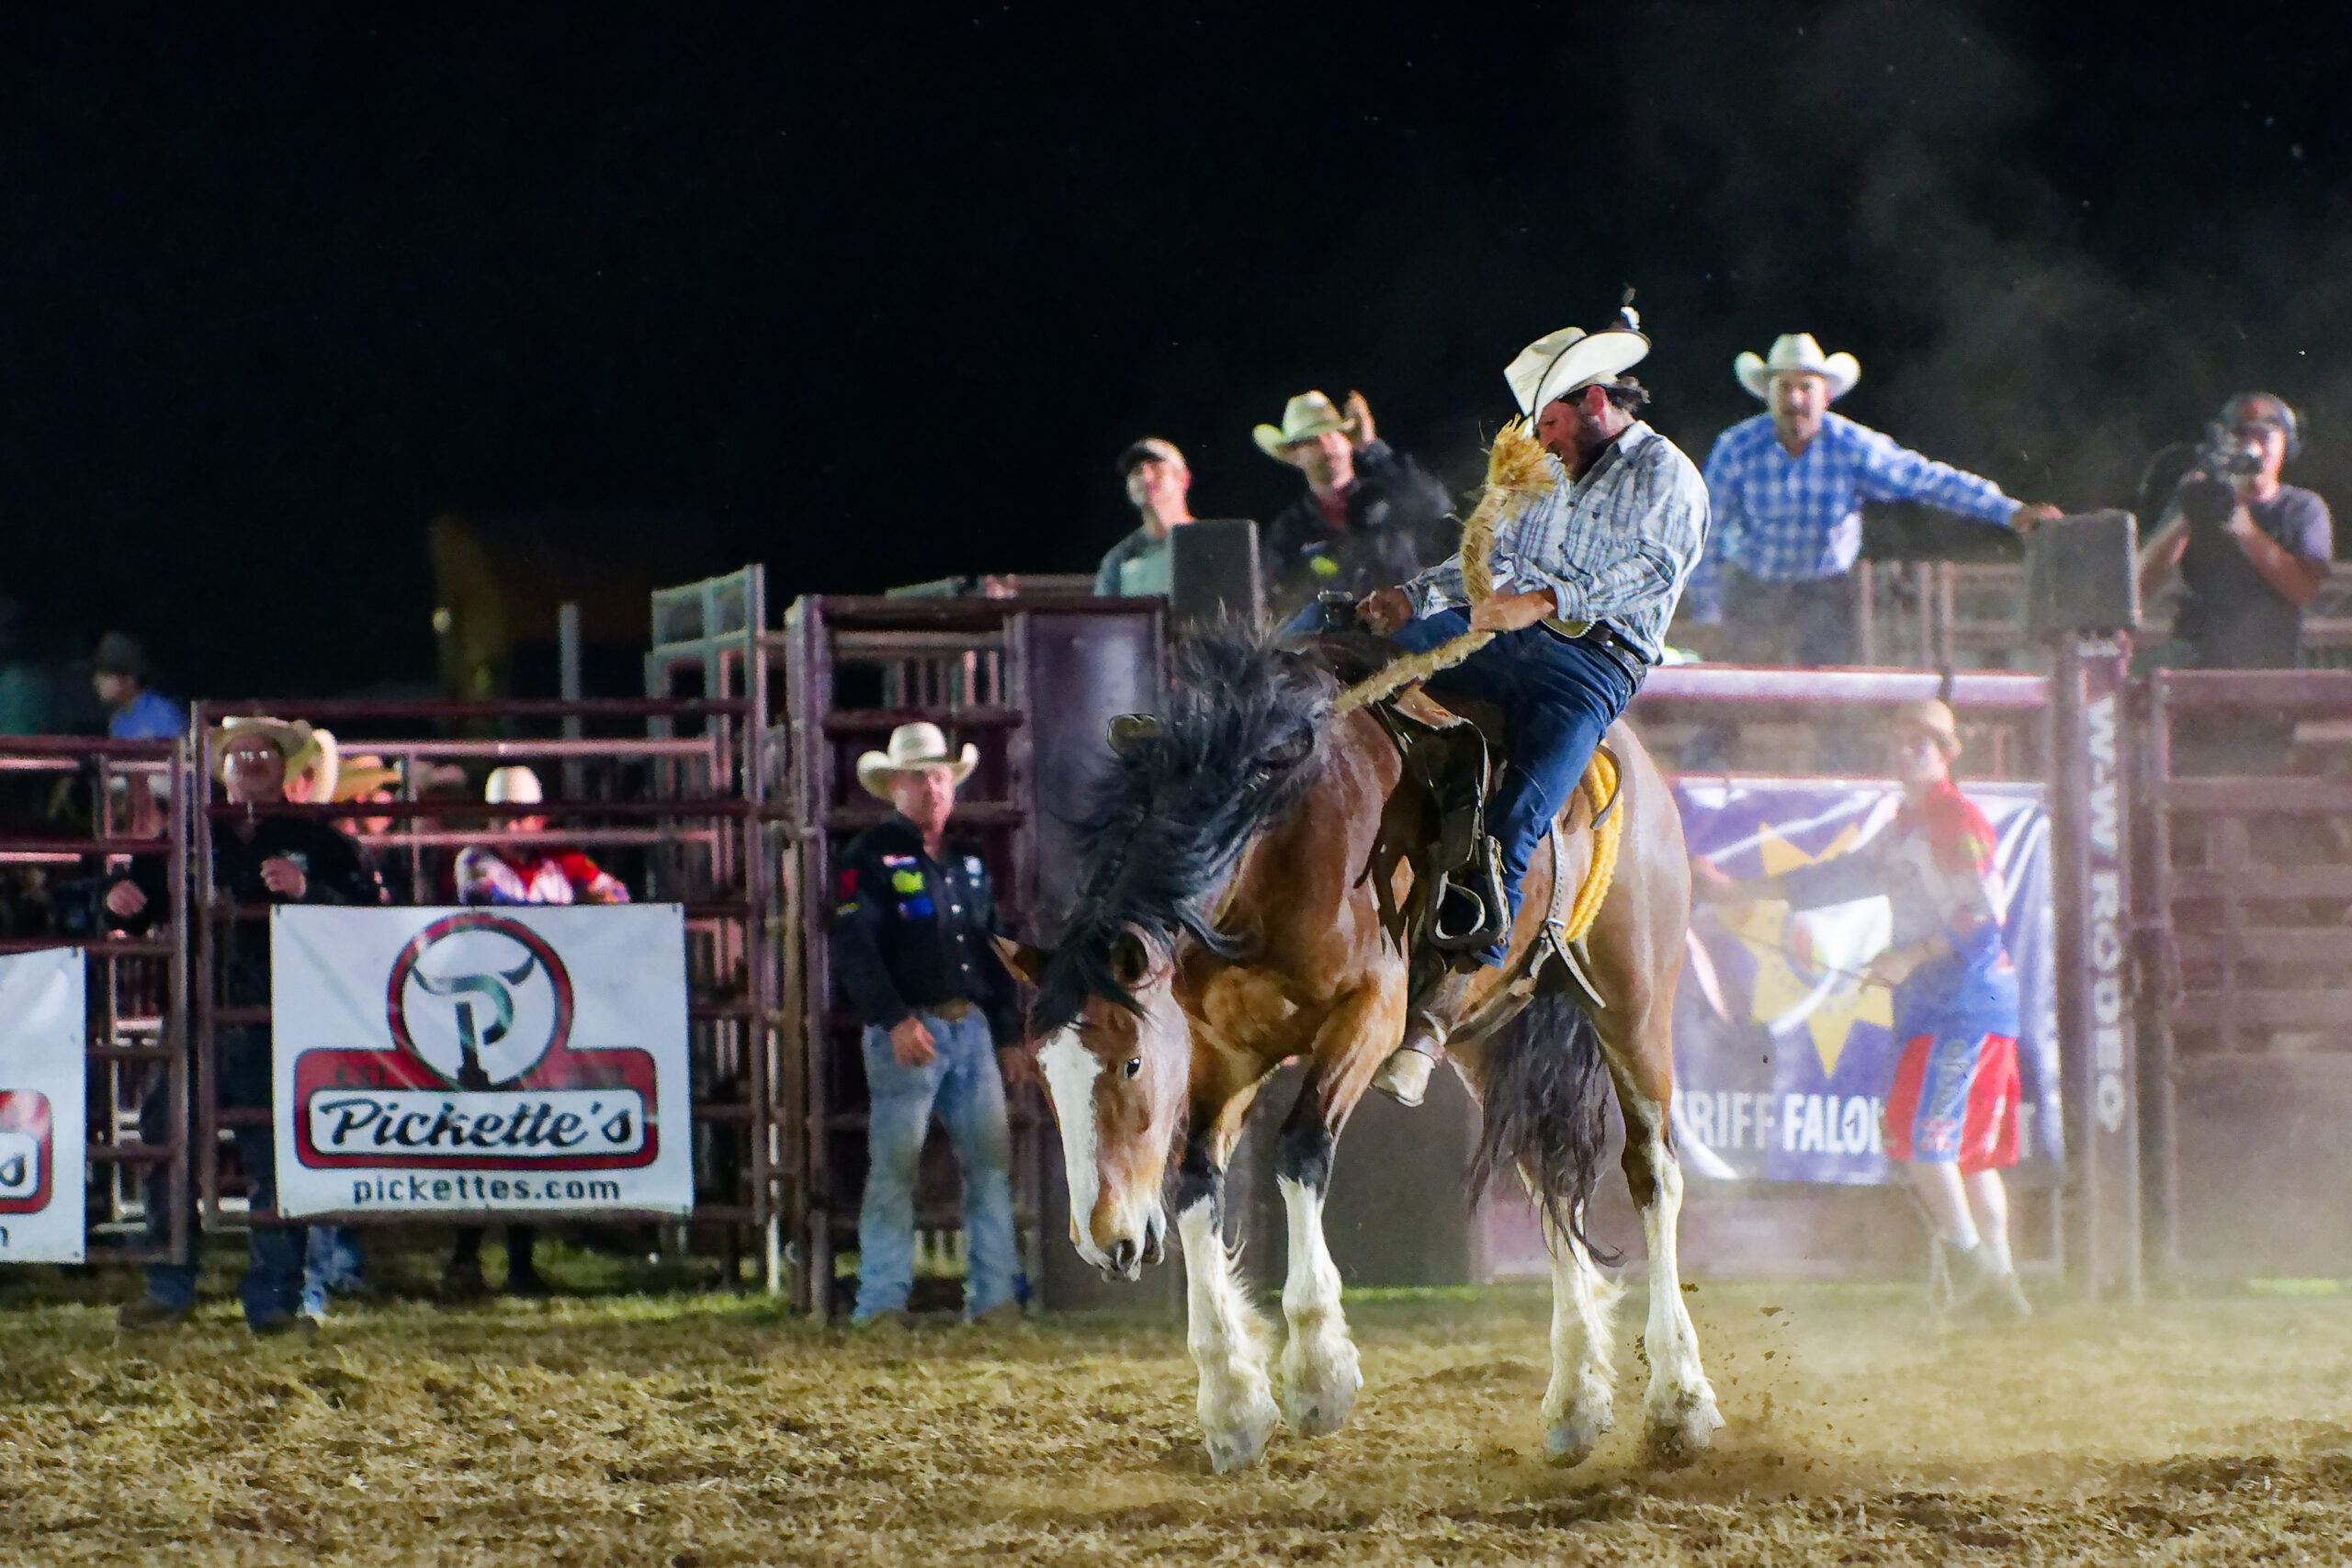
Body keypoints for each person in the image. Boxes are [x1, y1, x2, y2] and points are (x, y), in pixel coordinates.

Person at [1357, 310, 1711, 1105]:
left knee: (1521, 818)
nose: (1543, 437)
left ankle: (1442, 1008)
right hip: (1512, 634)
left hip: (1591, 664)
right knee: (1351, 634)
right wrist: (1410, 598)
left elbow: (1650, 570)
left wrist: (1545, 599)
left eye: (1550, 420)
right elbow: (1485, 556)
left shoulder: (1667, 474)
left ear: (1592, 401)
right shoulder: (1546, 468)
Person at [1690, 700, 2031, 1318]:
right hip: (1964, 1005)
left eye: (1918, 744)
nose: (1904, 753)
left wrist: (1911, 955)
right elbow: (1839, 877)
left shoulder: (1953, 818)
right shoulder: (1909, 825)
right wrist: (1740, 893)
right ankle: (2000, 1281)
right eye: (1898, 742)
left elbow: (1987, 913)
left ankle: (1976, 1272)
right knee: (1968, 1153)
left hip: (1960, 1004)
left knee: (1922, 1141)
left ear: (1947, 753)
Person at [107, 717, 379, 1335]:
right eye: (240, 752)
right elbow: (133, 893)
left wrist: (308, 889)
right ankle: (170, 1286)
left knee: (273, 1158)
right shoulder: (190, 835)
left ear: (285, 768)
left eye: (264, 752)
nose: (252, 761)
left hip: (279, 1015)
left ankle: (272, 1299)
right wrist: (118, 895)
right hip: (201, 1009)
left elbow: (367, 912)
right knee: (168, 1140)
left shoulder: (319, 840)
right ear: (224, 768)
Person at [1685, 334, 2062, 668]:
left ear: (1825, 396)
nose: (1795, 399)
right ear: (1768, 394)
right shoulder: (1737, 447)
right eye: (1784, 387)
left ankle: (1834, 746)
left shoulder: (1850, 445)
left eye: (1805, 388)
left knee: (1832, 695)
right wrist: (1707, 611)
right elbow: (1704, 528)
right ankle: (1712, 747)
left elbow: (1926, 479)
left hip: (1824, 586)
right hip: (1754, 584)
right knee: (1725, 686)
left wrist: (2009, 510)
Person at [832, 722, 1028, 1325]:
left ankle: (993, 1298)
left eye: (940, 777)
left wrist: (1007, 1034)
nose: (933, 787)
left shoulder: (969, 859)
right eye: (920, 777)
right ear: (895, 785)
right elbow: (854, 945)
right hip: (910, 1031)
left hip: (968, 1029)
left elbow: (991, 945)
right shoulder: (867, 856)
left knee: (988, 1164)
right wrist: (893, 1019)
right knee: (898, 1168)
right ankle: (882, 1301)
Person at [441, 765, 629, 1301]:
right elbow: (493, 908)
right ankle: (468, 1257)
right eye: (506, 816)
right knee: (485, 1133)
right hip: (491, 1007)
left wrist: (580, 905)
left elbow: (615, 895)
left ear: (539, 818)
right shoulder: (478, 859)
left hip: (535, 1008)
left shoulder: (557, 860)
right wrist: (571, 914)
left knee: (523, 1131)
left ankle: (511, 1262)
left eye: (523, 815)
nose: (516, 826)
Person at [2136, 392, 2331, 672]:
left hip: (2271, 667)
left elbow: (2304, 591)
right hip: (2197, 663)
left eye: (2264, 437)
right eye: (2241, 436)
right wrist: (2186, 519)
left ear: (2286, 445)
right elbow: (2141, 585)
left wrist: (2242, 526)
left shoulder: (2302, 508)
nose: (2252, 447)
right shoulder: (2199, 496)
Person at [1255, 389, 1454, 624]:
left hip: (1412, 626)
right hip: (1339, 648)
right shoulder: (1288, 531)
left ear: (1347, 440)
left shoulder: (1390, 493)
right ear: (1293, 455)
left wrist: (1371, 446)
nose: (1326, 445)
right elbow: (1277, 601)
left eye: (1332, 433)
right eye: (1312, 440)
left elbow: (1436, 505)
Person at [1094, 437, 1195, 597]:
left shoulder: (1213, 545)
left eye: (1155, 467)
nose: (1146, 477)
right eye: (1136, 471)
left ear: (1183, 478)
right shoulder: (1119, 559)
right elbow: (1106, 619)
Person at [92, 632, 186, 740]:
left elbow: (181, 753)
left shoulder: (164, 712)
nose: (97, 682)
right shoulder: (118, 721)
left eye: (106, 676)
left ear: (128, 678)